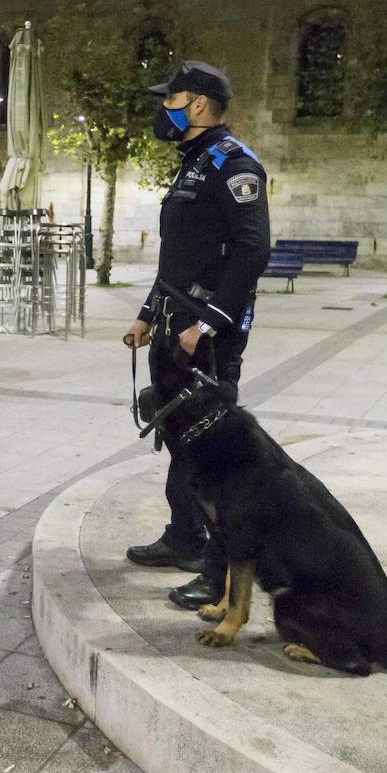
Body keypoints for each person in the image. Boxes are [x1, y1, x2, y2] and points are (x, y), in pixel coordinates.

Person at [123, 61, 270, 610]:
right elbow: (179, 258)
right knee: (180, 437)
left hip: (208, 333)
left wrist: (208, 323)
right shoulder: (195, 165)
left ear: (201, 104)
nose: (165, 107)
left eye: (173, 98)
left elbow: (253, 250)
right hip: (175, 322)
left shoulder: (235, 165)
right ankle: (184, 539)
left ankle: (217, 572)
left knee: (213, 452)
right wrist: (146, 313)